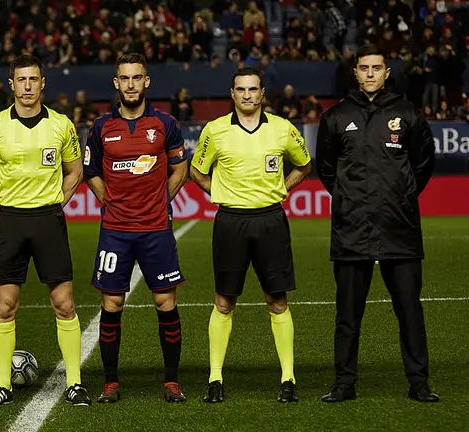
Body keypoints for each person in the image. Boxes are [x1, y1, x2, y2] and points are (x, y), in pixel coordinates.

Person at [316, 44, 439, 403]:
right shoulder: (336, 117)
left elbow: (424, 163)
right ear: (355, 73)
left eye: (376, 68)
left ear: (387, 72)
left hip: (398, 227)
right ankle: (344, 383)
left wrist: (401, 195)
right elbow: (326, 168)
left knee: (410, 311)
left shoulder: (409, 113)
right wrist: (345, 198)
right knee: (347, 315)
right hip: (351, 228)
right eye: (363, 68)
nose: (370, 73)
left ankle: (419, 382)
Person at [189, 67, 312, 404]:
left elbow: (304, 165)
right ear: (232, 93)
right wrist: (222, 192)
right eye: (240, 89)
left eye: (253, 89)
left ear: (262, 94)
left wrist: (281, 190)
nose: (247, 95)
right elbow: (196, 171)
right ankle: (215, 378)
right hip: (230, 221)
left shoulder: (283, 129)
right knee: (224, 301)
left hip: (271, 220)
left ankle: (288, 378)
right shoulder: (215, 131)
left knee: (278, 300)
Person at [0, 54, 90, 407]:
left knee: (64, 303)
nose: (27, 86)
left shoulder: (61, 125)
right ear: (11, 85)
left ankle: (74, 383)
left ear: (43, 83)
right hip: (11, 221)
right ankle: (1, 385)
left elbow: (75, 171)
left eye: (33, 80)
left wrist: (58, 201)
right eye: (21, 80)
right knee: (5, 305)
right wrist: (4, 206)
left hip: (48, 220)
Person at [83, 53, 189, 404]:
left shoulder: (165, 124)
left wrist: (164, 198)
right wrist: (109, 201)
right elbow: (91, 172)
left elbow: (180, 168)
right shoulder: (101, 128)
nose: (130, 84)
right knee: (112, 303)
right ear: (116, 83)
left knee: (165, 302)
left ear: (147, 82)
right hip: (115, 230)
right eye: (124, 78)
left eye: (136, 78)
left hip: (156, 228)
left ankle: (171, 382)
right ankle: (111, 382)